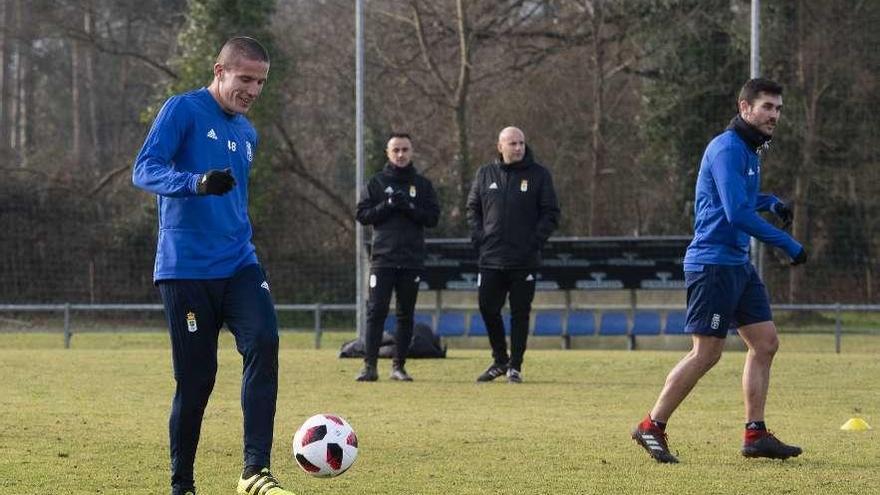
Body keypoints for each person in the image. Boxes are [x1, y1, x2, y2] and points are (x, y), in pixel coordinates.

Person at [132, 37, 296, 495]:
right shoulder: (181, 110)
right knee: (197, 380)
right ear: (219, 70)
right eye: (245, 78)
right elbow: (144, 169)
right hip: (185, 269)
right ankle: (182, 484)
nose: (253, 90)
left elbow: (235, 199)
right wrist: (195, 182)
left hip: (240, 261)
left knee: (265, 340)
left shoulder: (247, 132)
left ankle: (254, 471)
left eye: (260, 82)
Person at [632, 78, 807, 464]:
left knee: (765, 343)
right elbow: (736, 212)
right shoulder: (727, 148)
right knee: (706, 353)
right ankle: (652, 425)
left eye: (778, 109)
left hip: (737, 265)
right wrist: (787, 243)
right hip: (712, 265)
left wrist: (772, 201)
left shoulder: (749, 151)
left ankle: (755, 434)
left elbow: (742, 198)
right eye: (767, 107)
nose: (774, 115)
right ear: (745, 108)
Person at [466, 126, 560, 383]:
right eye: (512, 143)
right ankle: (499, 360)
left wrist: (533, 242)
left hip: (523, 260)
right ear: (500, 146)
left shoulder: (539, 175)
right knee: (487, 307)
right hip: (490, 258)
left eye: (521, 143)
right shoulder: (485, 174)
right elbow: (472, 209)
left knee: (520, 313)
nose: (518, 148)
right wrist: (480, 239)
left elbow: (551, 213)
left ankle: (515, 366)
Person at [355, 132, 440, 382]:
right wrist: (388, 205)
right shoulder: (377, 183)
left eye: (405, 149)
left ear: (411, 152)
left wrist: (410, 207)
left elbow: (433, 218)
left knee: (406, 314)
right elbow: (363, 215)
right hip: (383, 260)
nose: (401, 154)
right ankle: (369, 366)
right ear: (388, 153)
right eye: (396, 150)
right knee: (376, 311)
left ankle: (398, 366)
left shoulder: (422, 185)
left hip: (411, 260)